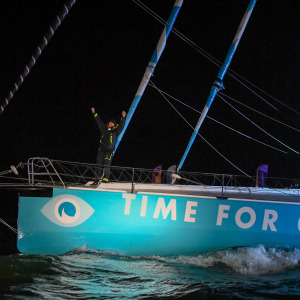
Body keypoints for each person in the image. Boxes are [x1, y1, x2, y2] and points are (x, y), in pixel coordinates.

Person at [91, 107, 126, 183]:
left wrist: (123, 117)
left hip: (110, 151)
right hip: (102, 149)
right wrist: (94, 113)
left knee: (107, 165)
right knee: (99, 165)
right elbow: (99, 121)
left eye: (112, 123)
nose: (110, 123)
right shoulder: (104, 128)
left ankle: (106, 179)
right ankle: (96, 179)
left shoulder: (116, 131)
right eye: (110, 122)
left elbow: (121, 126)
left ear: (114, 124)